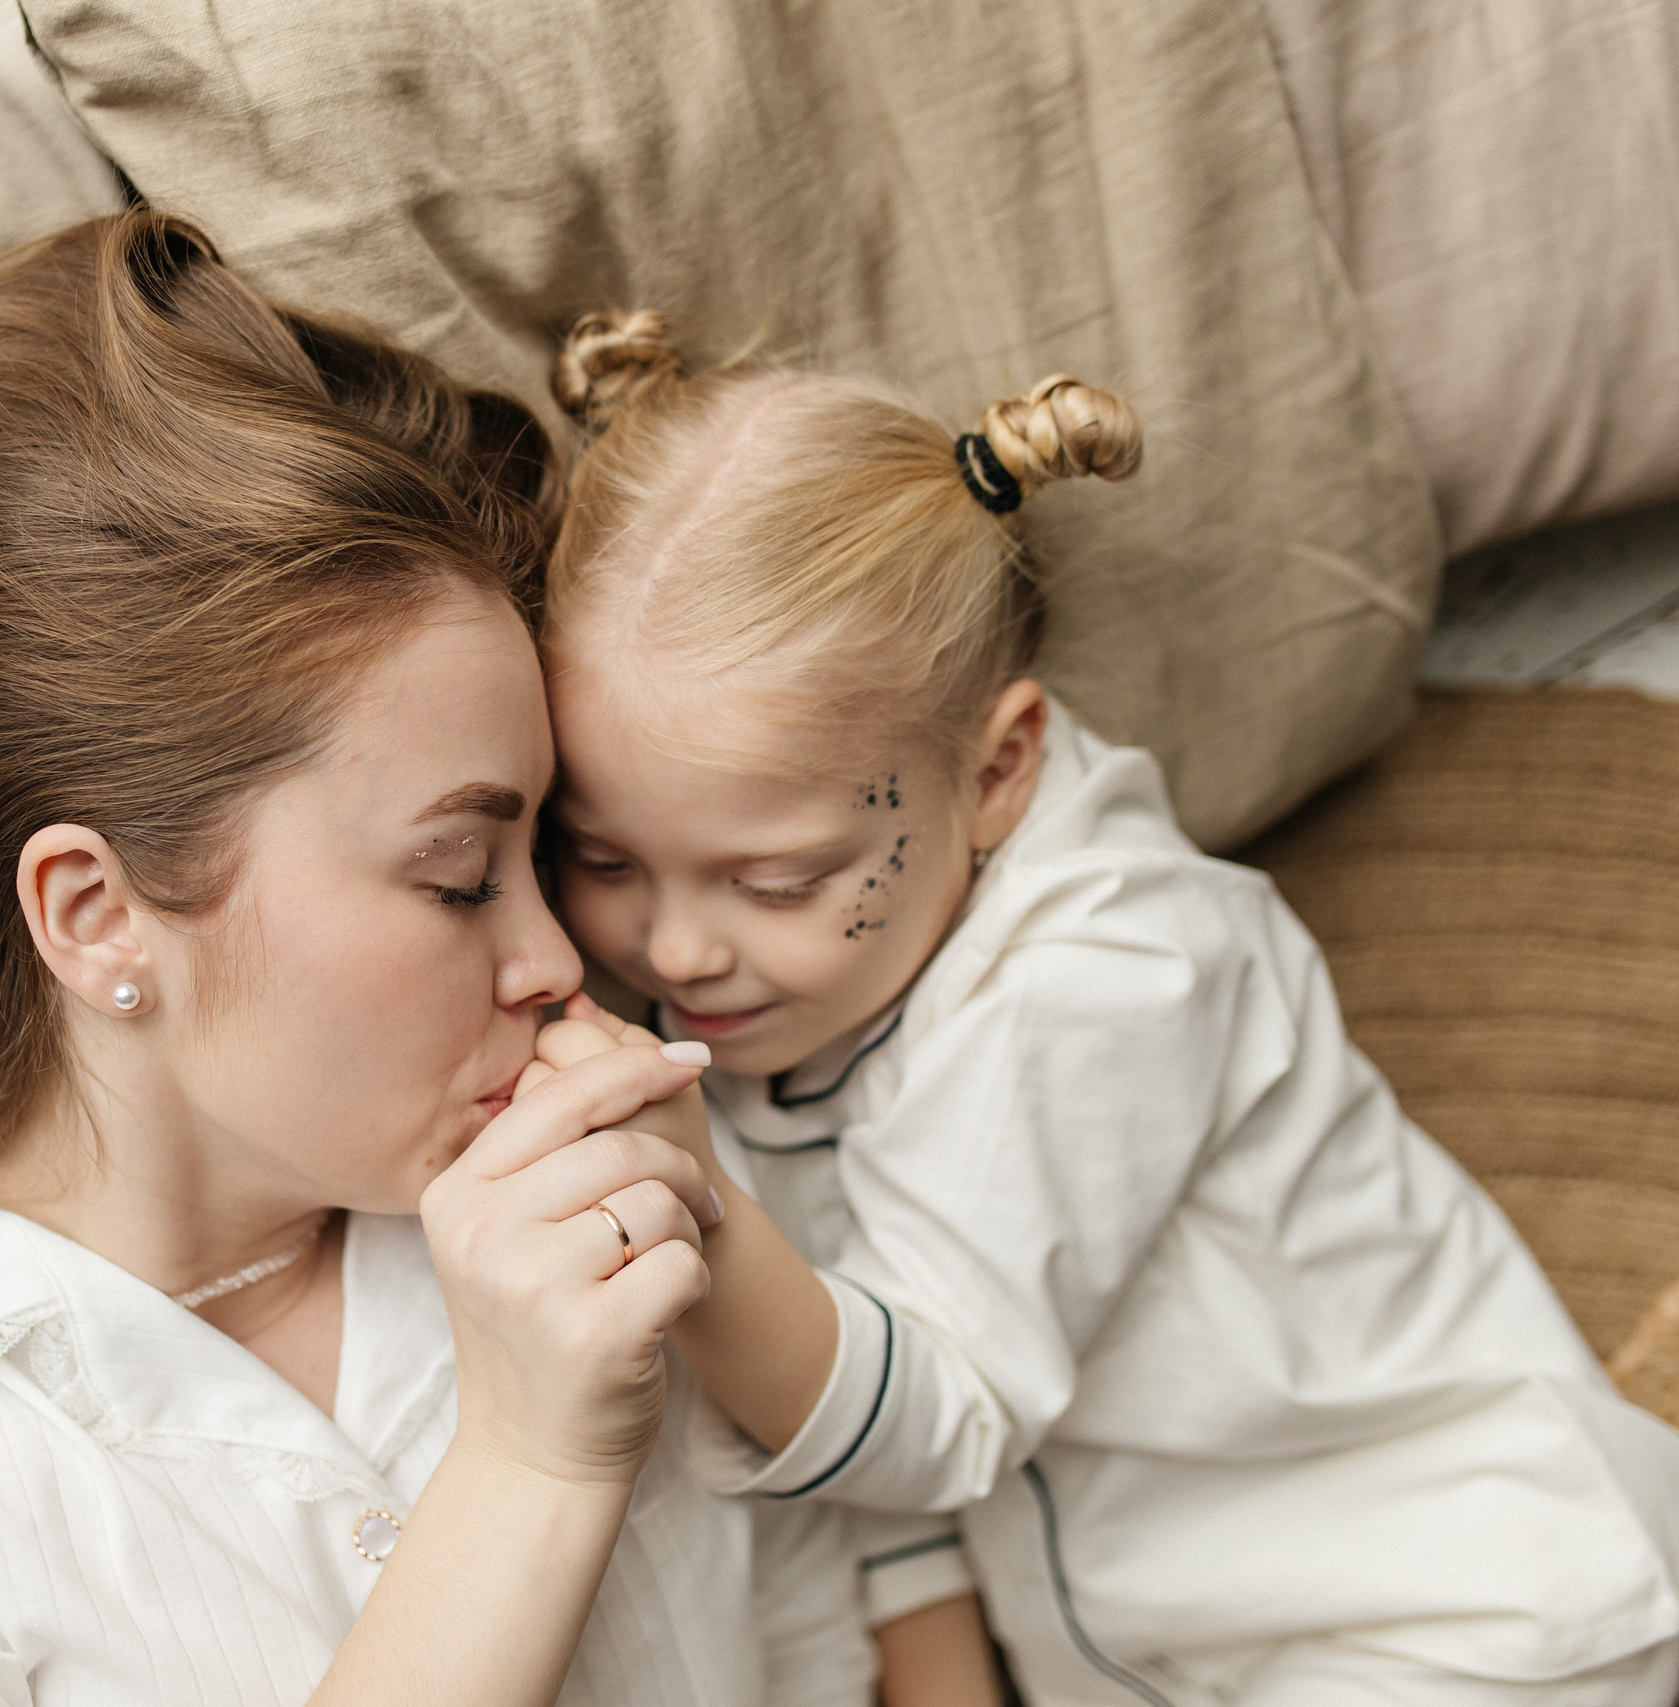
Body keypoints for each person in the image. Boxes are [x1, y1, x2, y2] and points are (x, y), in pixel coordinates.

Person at [0, 214, 993, 1706]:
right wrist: (529, 1470)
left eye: (544, 854)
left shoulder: (572, 1155)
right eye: (454, 876)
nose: (562, 961)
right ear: (94, 914)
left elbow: (849, 1609)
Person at [524, 310, 1679, 1705]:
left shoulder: (1115, 973)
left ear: (1002, 765)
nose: (678, 949)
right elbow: (843, 1405)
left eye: (778, 878)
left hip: (1465, 1616)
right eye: (600, 860)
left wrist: (697, 1204)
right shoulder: (780, 1006)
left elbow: (932, 1408)